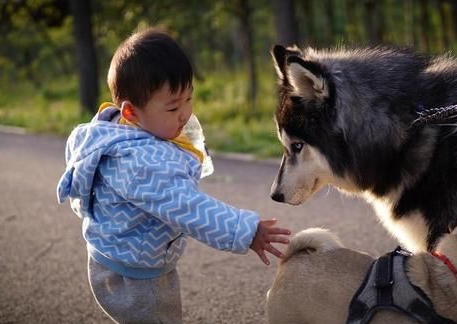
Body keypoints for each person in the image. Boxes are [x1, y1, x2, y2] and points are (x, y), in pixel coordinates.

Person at [56, 28, 290, 323]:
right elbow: (188, 207)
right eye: (173, 106)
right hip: (137, 275)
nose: (185, 113)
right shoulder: (140, 163)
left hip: (115, 256)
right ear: (130, 112)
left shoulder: (110, 131)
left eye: (189, 99)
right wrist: (245, 230)